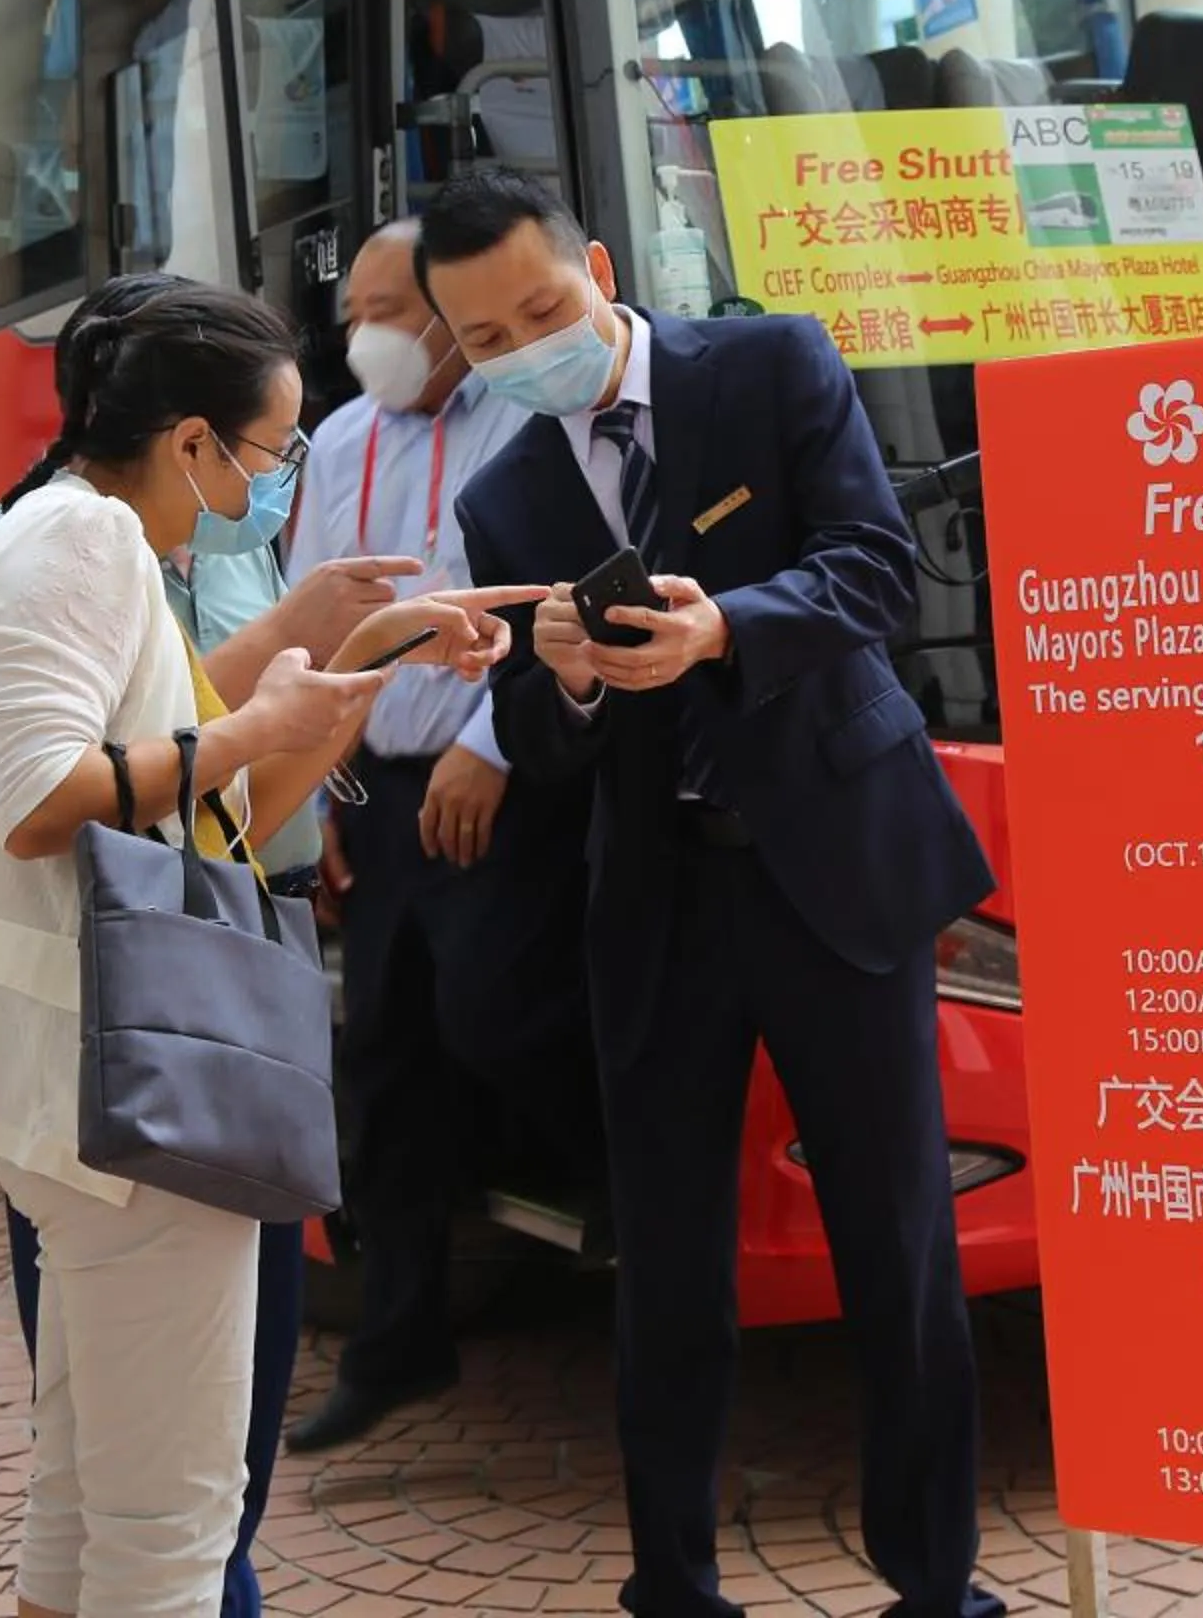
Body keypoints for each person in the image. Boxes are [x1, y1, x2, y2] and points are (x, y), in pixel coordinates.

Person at [428, 171, 1004, 1618]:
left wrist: (720, 631)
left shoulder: (770, 360)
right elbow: (545, 751)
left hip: (837, 866)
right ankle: (671, 1588)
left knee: (899, 1245)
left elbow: (875, 571)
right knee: (670, 1258)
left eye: (544, 312)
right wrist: (555, 678)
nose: (523, 350)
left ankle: (936, 1587)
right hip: (662, 898)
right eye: (485, 340)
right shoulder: (503, 494)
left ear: (600, 268)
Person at [0, 279, 523, 1616]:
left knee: (88, 1501)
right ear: (191, 441)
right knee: (173, 1529)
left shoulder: (70, 535)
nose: (280, 473)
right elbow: (49, 796)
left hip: (81, 1076)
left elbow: (203, 787)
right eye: (273, 447)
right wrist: (264, 728)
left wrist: (362, 643)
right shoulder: (82, 547)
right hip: (132, 1082)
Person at [280, 222, 594, 1453]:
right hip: (377, 792)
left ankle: (619, 1197)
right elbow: (316, 628)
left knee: (499, 1010)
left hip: (498, 777)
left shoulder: (528, 423)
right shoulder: (341, 443)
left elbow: (563, 607)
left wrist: (496, 744)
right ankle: (398, 1341)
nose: (362, 334)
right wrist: (320, 785)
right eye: (349, 308)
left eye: (386, 307)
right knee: (387, 1058)